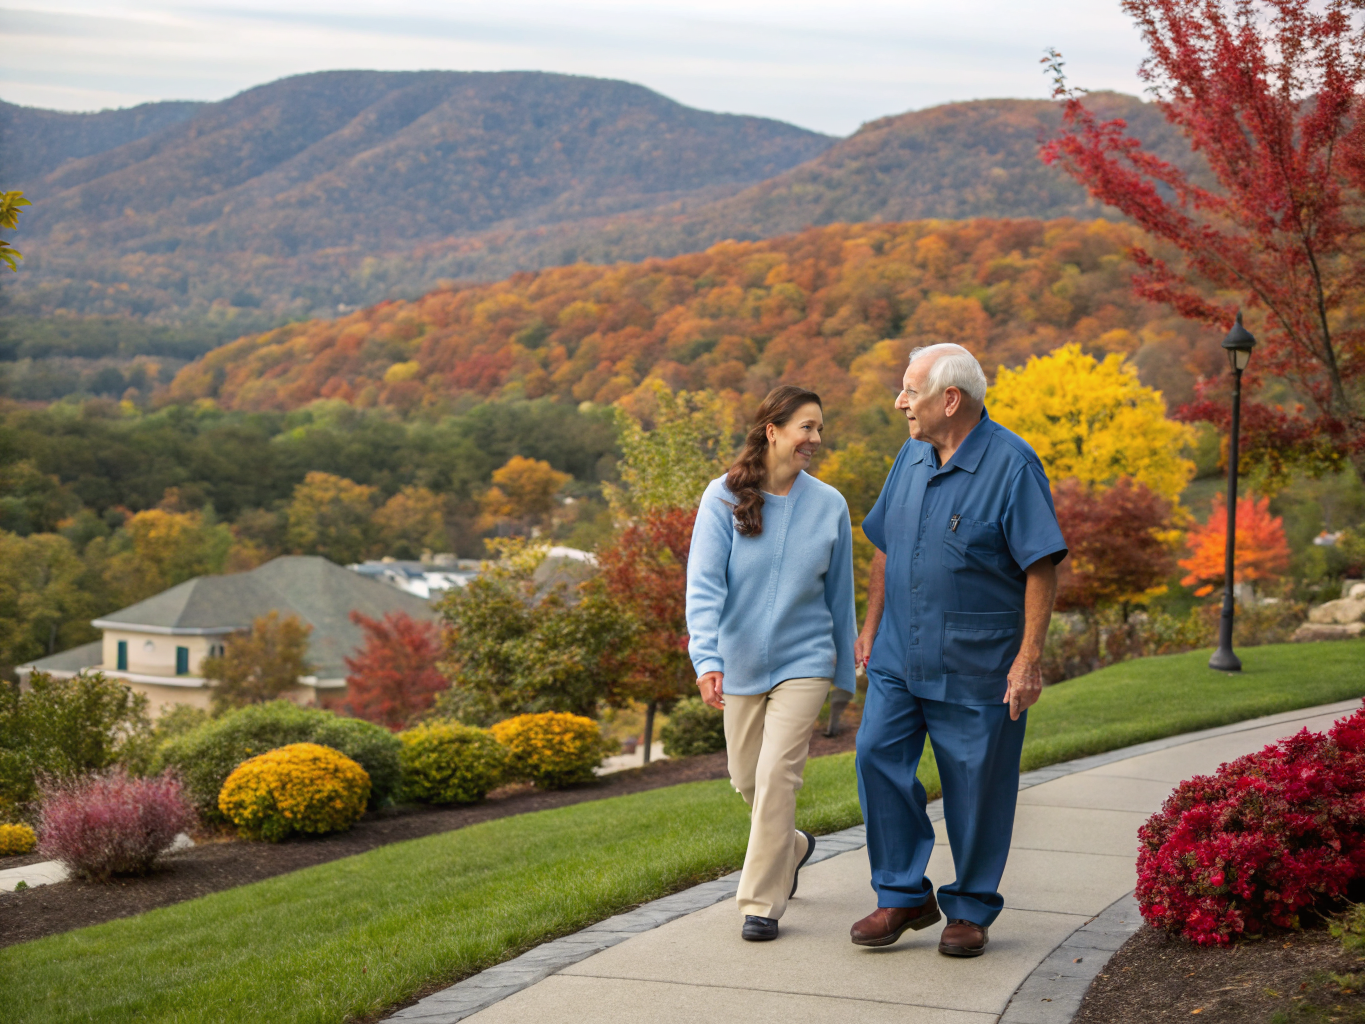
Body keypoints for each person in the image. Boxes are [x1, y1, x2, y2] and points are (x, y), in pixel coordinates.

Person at [850, 343, 1066, 957]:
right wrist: (871, 627)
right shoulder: (911, 456)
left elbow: (1041, 566)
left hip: (978, 661)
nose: (900, 403)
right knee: (874, 757)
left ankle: (969, 908)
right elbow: (885, 544)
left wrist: (1028, 659)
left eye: (909, 391)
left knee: (976, 785)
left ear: (950, 399)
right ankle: (901, 893)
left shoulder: (1013, 465)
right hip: (898, 652)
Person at [686, 384, 858, 942]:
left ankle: (760, 904)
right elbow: (704, 586)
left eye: (819, 430)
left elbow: (840, 596)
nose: (814, 439)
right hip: (737, 662)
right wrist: (706, 658)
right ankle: (796, 846)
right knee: (745, 777)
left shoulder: (829, 504)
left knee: (778, 774)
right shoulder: (722, 497)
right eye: (807, 427)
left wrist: (843, 672)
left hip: (804, 659)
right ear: (773, 430)